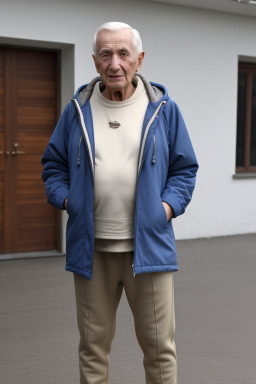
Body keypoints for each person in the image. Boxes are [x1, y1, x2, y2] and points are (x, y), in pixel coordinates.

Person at [41, 21, 198, 384]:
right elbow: (53, 166)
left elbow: (184, 170)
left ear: (139, 60)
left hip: (149, 248)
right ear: (96, 62)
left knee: (160, 351)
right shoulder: (77, 109)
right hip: (91, 249)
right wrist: (68, 201)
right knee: (93, 349)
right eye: (106, 54)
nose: (115, 63)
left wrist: (166, 209)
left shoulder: (163, 110)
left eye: (123, 54)